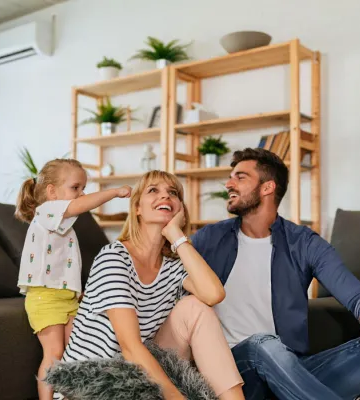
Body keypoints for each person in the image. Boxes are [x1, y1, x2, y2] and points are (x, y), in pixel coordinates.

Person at [191, 148, 360, 400]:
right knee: (263, 344)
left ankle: (296, 392)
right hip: (233, 372)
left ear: (267, 187)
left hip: (286, 369)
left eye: (240, 177)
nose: (228, 184)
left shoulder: (303, 243)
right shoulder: (209, 238)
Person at [63, 170, 245, 400]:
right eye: (153, 191)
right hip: (93, 383)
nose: (165, 196)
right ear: (137, 208)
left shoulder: (172, 266)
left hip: (137, 377)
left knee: (194, 308)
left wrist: (176, 235)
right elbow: (130, 347)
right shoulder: (114, 258)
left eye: (173, 193)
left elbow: (214, 294)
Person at [15, 157, 131, 400]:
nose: (81, 194)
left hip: (67, 298)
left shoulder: (65, 225)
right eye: (75, 188)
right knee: (54, 352)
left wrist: (78, 291)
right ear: (52, 192)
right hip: (44, 297)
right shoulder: (46, 211)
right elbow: (80, 206)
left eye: (83, 188)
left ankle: (70, 396)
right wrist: (114, 192)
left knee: (75, 352)